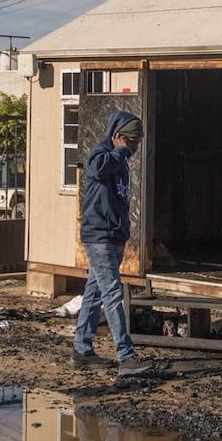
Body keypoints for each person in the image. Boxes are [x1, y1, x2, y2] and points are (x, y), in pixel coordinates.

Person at [73, 110, 152, 376]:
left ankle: (81, 350)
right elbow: (96, 169)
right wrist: (120, 152)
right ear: (117, 136)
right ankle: (126, 356)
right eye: (131, 141)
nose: (134, 148)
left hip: (112, 237)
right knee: (112, 294)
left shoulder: (120, 163)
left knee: (94, 295)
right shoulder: (102, 155)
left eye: (137, 143)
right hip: (100, 237)